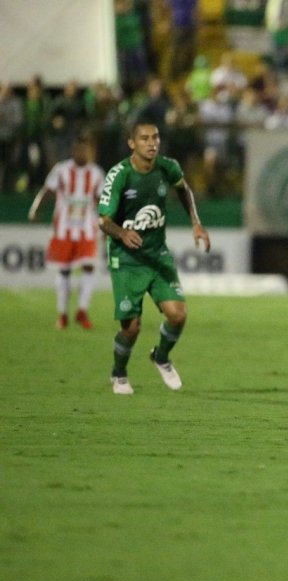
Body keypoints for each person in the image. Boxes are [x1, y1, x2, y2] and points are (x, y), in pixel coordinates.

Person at [98, 119, 211, 395]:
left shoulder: (168, 167)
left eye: (155, 137)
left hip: (157, 254)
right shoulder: (119, 175)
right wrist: (122, 233)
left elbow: (183, 189)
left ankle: (160, 356)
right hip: (126, 259)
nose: (152, 143)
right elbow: (104, 221)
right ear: (132, 143)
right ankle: (119, 373)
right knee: (131, 328)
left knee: (178, 315)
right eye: (145, 138)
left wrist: (195, 222)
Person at [28, 133, 105, 330]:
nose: (83, 152)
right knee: (64, 269)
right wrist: (35, 209)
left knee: (89, 267)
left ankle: (82, 311)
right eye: (80, 149)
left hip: (87, 229)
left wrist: (106, 225)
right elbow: (47, 191)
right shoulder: (61, 170)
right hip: (64, 229)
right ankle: (62, 314)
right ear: (73, 150)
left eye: (86, 149)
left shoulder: (96, 173)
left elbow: (101, 201)